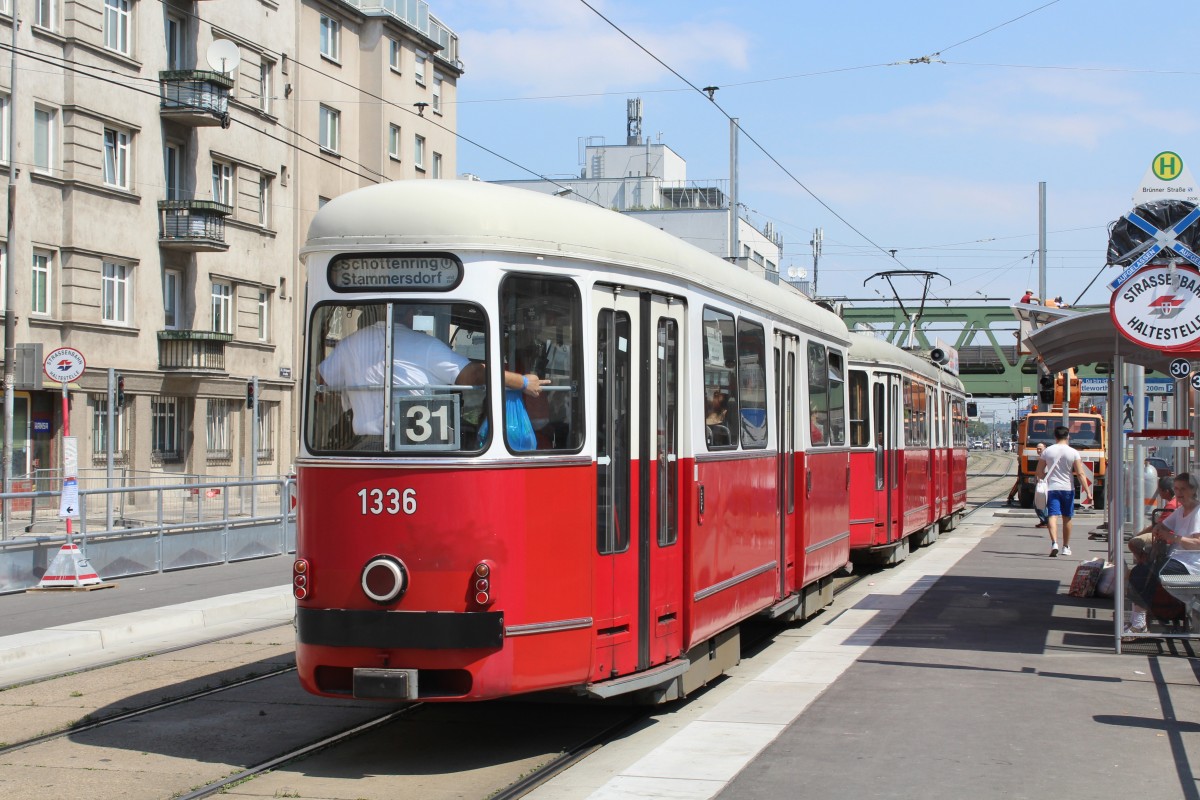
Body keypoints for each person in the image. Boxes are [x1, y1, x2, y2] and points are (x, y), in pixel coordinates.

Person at [319, 314, 548, 436]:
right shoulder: (426, 345)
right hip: (415, 445)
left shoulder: (348, 346)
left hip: (363, 447)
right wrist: (524, 381)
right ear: (409, 315)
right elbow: (475, 375)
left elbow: (322, 383)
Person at [1126, 472, 1200, 637]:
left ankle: (1139, 623)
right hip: (1177, 559)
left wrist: (1174, 538)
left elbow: (1198, 543)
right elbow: (1161, 525)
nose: (1179, 493)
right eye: (1176, 489)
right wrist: (1160, 530)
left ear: (1193, 490)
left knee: (1143, 573)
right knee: (1140, 571)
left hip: (1191, 565)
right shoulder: (1181, 510)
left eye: (1183, 489)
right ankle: (1138, 621)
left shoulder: (1197, 512)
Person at [1035, 424, 1091, 557]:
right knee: (1067, 518)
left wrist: (1044, 480)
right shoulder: (1073, 452)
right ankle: (1066, 546)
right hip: (1067, 489)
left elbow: (1039, 472)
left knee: (1052, 516)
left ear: (1055, 436)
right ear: (1068, 436)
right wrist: (1088, 492)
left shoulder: (1047, 451)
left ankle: (1054, 543)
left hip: (1052, 488)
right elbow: (1080, 474)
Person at [1128, 477, 1178, 566]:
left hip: (1165, 536)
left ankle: (1145, 565)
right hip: (1170, 534)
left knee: (1133, 543)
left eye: (1160, 490)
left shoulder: (1171, 505)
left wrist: (1139, 534)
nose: (1159, 493)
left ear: (1166, 491)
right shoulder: (1177, 502)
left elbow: (1158, 526)